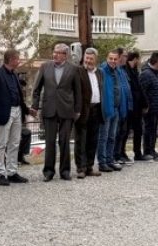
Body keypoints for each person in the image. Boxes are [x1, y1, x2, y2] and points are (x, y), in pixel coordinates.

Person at [31, 43, 83, 181]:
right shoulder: (45, 67)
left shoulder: (73, 69)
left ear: (65, 55)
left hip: (67, 110)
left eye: (58, 52)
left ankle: (65, 171)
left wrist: (77, 110)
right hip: (49, 109)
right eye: (54, 52)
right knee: (49, 142)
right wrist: (35, 106)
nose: (55, 55)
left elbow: (78, 92)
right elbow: (36, 89)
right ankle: (48, 171)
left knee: (65, 142)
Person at [0, 49, 32, 186]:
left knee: (15, 143)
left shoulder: (14, 74)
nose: (19, 61)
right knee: (1, 144)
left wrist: (26, 110)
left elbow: (19, 96)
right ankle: (0, 174)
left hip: (17, 111)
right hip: (3, 112)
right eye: (18, 58)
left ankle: (12, 172)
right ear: (11, 59)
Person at [76, 47, 105, 176]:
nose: (88, 61)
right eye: (86, 58)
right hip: (82, 110)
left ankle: (89, 166)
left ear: (95, 60)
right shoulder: (78, 71)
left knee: (93, 140)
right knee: (81, 141)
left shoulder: (99, 73)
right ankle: (81, 168)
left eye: (91, 58)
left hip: (96, 109)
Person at [98, 50, 125, 172]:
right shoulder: (102, 71)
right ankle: (102, 162)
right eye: (111, 58)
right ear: (107, 58)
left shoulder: (117, 71)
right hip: (106, 109)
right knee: (103, 137)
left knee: (112, 137)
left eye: (115, 59)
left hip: (116, 108)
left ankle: (110, 159)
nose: (113, 61)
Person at [139, 52, 158, 160]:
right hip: (149, 108)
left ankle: (152, 149)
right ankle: (147, 151)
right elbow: (143, 91)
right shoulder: (146, 74)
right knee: (148, 129)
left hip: (157, 107)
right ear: (156, 62)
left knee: (154, 129)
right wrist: (145, 105)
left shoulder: (157, 73)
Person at [124, 51, 147, 160]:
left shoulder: (135, 71)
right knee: (126, 130)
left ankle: (137, 152)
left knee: (138, 130)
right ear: (136, 59)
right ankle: (122, 153)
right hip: (129, 105)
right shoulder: (125, 70)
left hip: (137, 106)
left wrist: (144, 103)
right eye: (139, 59)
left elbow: (139, 88)